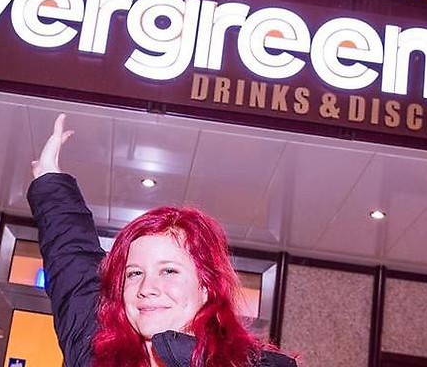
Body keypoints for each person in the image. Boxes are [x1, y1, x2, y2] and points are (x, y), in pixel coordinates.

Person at [27, 114, 296, 367]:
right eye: (134, 273)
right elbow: (73, 264)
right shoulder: (95, 352)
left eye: (168, 270)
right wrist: (49, 179)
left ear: (206, 286)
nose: (147, 288)